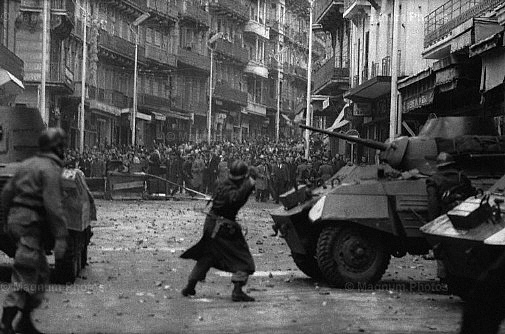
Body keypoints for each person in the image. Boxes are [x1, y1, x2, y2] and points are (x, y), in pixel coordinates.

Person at [0, 128, 68, 334]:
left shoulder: (26, 165)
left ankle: (24, 320)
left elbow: (6, 194)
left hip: (17, 222)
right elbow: (53, 206)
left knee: (40, 273)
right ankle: (6, 322)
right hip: (30, 224)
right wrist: (61, 237)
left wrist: (5, 222)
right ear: (56, 147)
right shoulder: (49, 169)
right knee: (27, 272)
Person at [180, 160, 257, 302]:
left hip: (212, 223)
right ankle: (238, 290)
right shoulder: (233, 189)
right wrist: (250, 182)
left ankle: (191, 284)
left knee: (208, 255)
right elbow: (236, 199)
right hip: (223, 227)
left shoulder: (225, 183)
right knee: (244, 260)